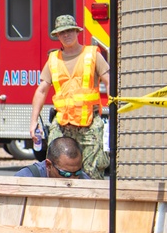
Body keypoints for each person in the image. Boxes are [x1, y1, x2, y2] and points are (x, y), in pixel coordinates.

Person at [29, 14, 110, 179]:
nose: (66, 35)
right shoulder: (53, 59)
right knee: (53, 169)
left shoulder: (92, 55)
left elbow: (110, 82)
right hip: (62, 124)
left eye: (70, 31)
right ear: (57, 36)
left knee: (92, 172)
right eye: (62, 33)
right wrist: (33, 121)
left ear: (77, 32)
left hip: (89, 125)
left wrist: (115, 114)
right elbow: (41, 90)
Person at [15, 136, 87, 179]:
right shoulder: (25, 178)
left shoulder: (85, 181)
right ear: (48, 165)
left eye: (77, 173)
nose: (72, 179)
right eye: (65, 174)